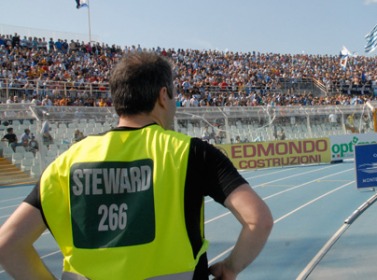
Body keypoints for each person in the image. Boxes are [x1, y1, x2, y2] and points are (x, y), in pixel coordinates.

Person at [0, 52, 273, 280]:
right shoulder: (191, 153)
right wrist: (230, 267)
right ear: (163, 95)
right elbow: (258, 220)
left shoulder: (67, 162)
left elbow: (8, 243)